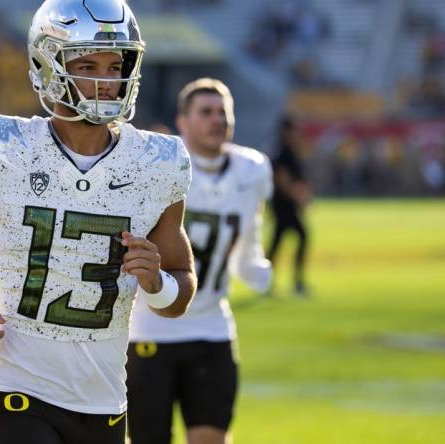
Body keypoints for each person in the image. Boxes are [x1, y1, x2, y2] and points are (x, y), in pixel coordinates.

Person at [0, 1, 196, 443]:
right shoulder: (2, 148)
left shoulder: (157, 163)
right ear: (48, 65)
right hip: (16, 391)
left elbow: (180, 290)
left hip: (103, 401)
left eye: (116, 64)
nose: (106, 80)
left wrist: (158, 284)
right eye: (87, 64)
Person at [127, 78, 273, 444]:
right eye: (205, 112)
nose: (217, 120)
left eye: (223, 112)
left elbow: (248, 237)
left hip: (212, 327)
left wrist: (254, 266)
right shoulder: (158, 168)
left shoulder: (251, 169)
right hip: (150, 329)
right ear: (183, 121)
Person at [267, 114, 310, 295]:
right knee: (300, 236)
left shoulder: (288, 150)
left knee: (277, 244)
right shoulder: (283, 151)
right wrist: (297, 195)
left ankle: (268, 283)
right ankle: (296, 282)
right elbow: (281, 178)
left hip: (284, 205)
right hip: (283, 205)